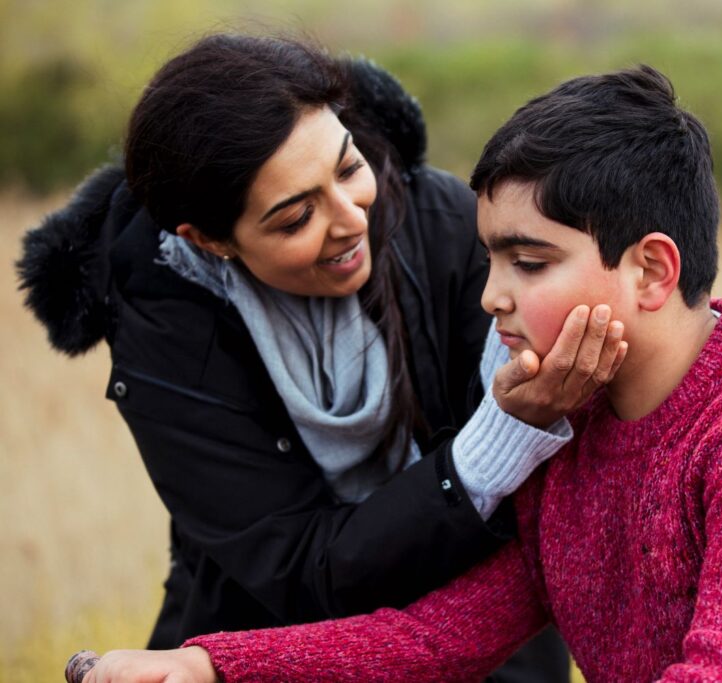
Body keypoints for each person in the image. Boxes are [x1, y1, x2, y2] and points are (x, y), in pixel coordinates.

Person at [68, 64, 722, 683]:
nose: (491, 298)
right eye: (490, 257)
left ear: (652, 270)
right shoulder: (572, 434)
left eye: (529, 264)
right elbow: (437, 636)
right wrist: (213, 663)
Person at [19, 33, 632, 683]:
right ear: (209, 239)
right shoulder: (166, 339)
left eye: (347, 167)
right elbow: (300, 566)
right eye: (293, 218)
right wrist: (500, 438)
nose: (350, 221)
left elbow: (537, 506)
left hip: (481, 641)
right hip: (258, 648)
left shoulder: (440, 221)